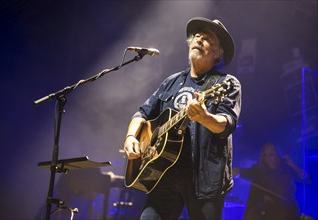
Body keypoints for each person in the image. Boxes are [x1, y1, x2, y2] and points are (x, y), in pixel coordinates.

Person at [123, 17, 242, 220]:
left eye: (208, 40)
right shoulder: (172, 82)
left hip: (204, 181)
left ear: (217, 54)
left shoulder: (226, 83)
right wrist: (130, 137)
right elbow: (142, 114)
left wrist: (204, 117)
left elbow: (226, 124)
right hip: (164, 174)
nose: (200, 39)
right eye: (197, 36)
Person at [233, 143, 309, 220]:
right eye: (265, 155)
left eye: (271, 155)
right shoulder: (258, 170)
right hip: (263, 213)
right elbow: (246, 173)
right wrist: (237, 172)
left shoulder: (286, 169)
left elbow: (304, 177)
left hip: (286, 212)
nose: (268, 158)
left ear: (278, 155)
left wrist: (292, 164)